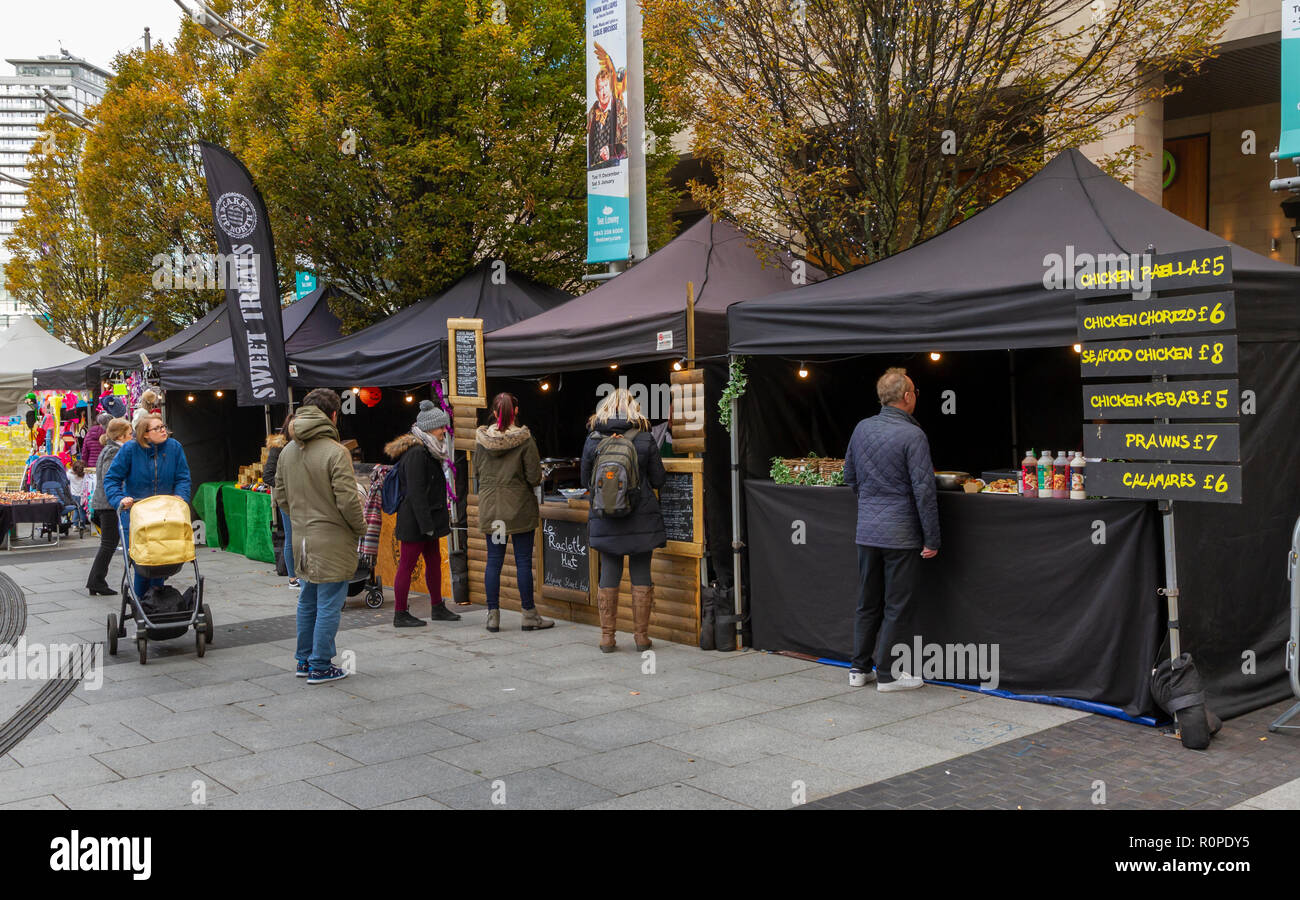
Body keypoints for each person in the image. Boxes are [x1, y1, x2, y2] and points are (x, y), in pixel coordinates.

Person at [843, 367, 941, 693]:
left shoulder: (860, 428)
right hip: (901, 534)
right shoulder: (913, 436)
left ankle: (859, 669)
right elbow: (924, 492)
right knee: (897, 604)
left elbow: (850, 477)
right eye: (914, 391)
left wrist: (872, 505)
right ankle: (887, 674)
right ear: (907, 396)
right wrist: (932, 538)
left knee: (867, 601)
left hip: (866, 532)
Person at [273, 389, 365, 683]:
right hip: (332, 537)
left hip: (302, 537)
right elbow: (348, 501)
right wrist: (359, 527)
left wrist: (300, 517)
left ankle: (304, 660)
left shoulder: (287, 450)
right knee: (328, 603)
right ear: (333, 415)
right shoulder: (335, 451)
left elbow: (280, 496)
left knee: (308, 599)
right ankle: (321, 664)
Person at [581, 388, 666, 653]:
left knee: (609, 572)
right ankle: (641, 638)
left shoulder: (593, 439)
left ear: (604, 409)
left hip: (606, 518)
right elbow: (659, 479)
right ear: (633, 409)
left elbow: (585, 481)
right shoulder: (644, 437)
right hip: (641, 517)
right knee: (641, 572)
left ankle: (608, 638)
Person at [475, 392, 551, 633]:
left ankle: (493, 616)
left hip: (492, 510)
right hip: (518, 509)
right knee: (522, 562)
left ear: (495, 413)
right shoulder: (525, 440)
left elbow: (477, 472)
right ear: (515, 411)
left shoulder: (481, 440)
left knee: (494, 562)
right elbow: (533, 477)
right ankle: (528, 615)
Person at [384, 400, 458, 627]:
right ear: (428, 428)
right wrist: (427, 525)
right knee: (407, 565)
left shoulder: (429, 449)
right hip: (416, 521)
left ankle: (437, 606)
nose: (444, 431)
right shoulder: (417, 453)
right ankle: (400, 613)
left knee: (434, 562)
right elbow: (416, 493)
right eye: (440, 427)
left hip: (428, 519)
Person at [103, 413, 192, 602]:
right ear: (144, 434)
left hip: (165, 514)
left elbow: (183, 477)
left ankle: (154, 603)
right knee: (143, 562)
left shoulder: (174, 448)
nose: (163, 430)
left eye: (163, 426)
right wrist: (120, 499)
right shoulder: (129, 449)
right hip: (136, 514)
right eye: (157, 428)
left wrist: (180, 497)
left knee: (162, 559)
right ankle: (144, 605)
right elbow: (111, 479)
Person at [85, 417, 131, 596]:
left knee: (108, 544)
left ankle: (95, 581)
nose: (131, 437)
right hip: (109, 505)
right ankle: (96, 581)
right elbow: (109, 478)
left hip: (106, 504)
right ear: (120, 436)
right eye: (129, 434)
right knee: (108, 544)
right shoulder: (113, 452)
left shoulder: (110, 449)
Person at [264, 413, 299, 588]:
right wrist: (286, 486)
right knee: (291, 538)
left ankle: (300, 575)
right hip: (287, 500)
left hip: (303, 499)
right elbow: (268, 475)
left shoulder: (304, 445)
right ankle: (292, 577)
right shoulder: (279, 446)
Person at [587, 52, 627, 168]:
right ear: (596, 91)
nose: (603, 92)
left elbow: (630, 144)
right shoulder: (591, 113)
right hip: (594, 174)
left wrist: (612, 150)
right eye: (600, 88)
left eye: (605, 87)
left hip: (613, 171)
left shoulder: (620, 109)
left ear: (611, 88)